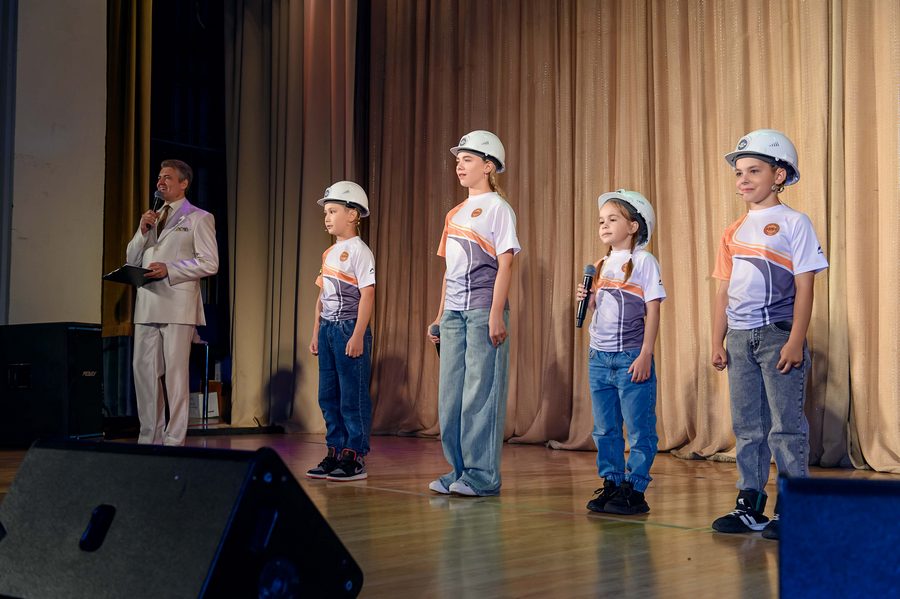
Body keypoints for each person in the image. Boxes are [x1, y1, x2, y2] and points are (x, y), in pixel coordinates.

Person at [710, 129, 828, 540]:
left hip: (778, 335)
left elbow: (806, 285)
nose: (743, 179)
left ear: (779, 176)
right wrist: (717, 339)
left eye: (754, 171)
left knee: (786, 426)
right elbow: (723, 289)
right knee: (747, 426)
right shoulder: (733, 230)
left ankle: (795, 507)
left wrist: (795, 340)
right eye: (739, 172)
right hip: (739, 338)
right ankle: (751, 501)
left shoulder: (795, 223)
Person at [427, 130, 521, 497]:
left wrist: (496, 313)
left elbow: (506, 263)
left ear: (489, 166)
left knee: (480, 395)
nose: (459, 165)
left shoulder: (499, 207)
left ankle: (482, 475)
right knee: (450, 396)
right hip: (454, 313)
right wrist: (440, 316)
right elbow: (448, 270)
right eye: (458, 160)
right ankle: (458, 470)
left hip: (483, 310)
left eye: (467, 159)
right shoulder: (454, 213)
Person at [578, 190, 665, 515]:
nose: (604, 225)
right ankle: (612, 482)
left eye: (612, 219)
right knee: (604, 427)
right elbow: (601, 311)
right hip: (599, 358)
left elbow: (653, 310)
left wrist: (645, 354)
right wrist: (589, 299)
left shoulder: (644, 261)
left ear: (633, 226)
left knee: (639, 427)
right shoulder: (601, 264)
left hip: (630, 357)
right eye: (601, 220)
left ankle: (635, 487)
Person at [126, 159, 219, 446]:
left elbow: (210, 263)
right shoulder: (152, 218)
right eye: (159, 177)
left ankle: (174, 440)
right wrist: (142, 231)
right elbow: (131, 259)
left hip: (177, 306)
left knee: (175, 375)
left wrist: (172, 269)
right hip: (147, 304)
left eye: (167, 177)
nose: (160, 181)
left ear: (184, 183)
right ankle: (149, 438)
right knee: (144, 374)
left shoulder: (199, 217)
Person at [306, 181, 376, 482]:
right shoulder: (329, 253)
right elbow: (321, 297)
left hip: (348, 327)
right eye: (326, 212)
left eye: (333, 211)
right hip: (328, 329)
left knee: (352, 396)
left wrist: (358, 334)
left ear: (353, 214)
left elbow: (368, 294)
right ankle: (334, 450)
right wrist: (316, 332)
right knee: (328, 395)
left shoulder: (360, 251)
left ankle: (354, 454)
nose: (327, 217)